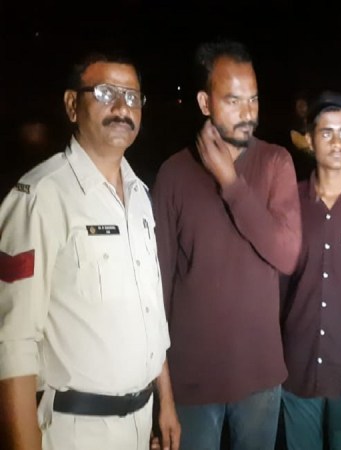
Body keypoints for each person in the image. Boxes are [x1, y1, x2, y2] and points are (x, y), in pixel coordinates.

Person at [0, 50, 179, 450]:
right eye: (105, 93)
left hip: (141, 421)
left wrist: (165, 402)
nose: (122, 108)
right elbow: (12, 345)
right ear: (71, 105)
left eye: (132, 97)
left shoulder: (140, 196)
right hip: (77, 430)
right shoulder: (41, 197)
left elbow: (149, 311)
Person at [151, 39, 302, 450]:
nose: (248, 113)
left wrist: (231, 183)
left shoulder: (275, 163)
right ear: (205, 102)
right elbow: (157, 291)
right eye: (233, 101)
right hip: (191, 383)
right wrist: (163, 393)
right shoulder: (173, 174)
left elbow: (287, 255)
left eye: (253, 99)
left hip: (259, 377)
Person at [281, 91, 341, 450]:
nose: (337, 142)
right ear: (309, 140)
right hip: (297, 370)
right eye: (326, 132)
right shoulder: (287, 202)